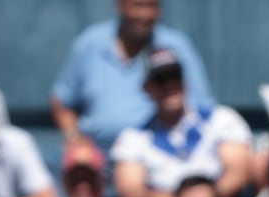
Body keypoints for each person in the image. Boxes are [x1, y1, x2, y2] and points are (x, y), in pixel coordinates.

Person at [51, 0, 214, 156]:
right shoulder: (90, 43)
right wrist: (73, 138)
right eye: (138, 5)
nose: (146, 14)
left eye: (152, 6)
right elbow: (62, 100)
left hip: (155, 152)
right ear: (120, 6)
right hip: (99, 154)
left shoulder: (175, 47)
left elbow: (202, 106)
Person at [112, 51, 253, 197]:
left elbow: (239, 172)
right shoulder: (134, 137)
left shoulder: (221, 119)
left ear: (185, 81)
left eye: (175, 77)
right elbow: (129, 188)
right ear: (147, 88)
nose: (170, 86)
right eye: (161, 80)